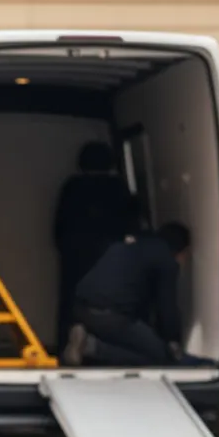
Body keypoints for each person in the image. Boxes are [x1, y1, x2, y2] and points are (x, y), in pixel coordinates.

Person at [62, 222, 193, 367]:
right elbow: (167, 308)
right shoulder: (167, 260)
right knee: (161, 359)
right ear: (182, 250)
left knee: (135, 341)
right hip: (110, 316)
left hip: (81, 309)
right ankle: (93, 347)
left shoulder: (127, 245)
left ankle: (88, 342)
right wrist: (173, 343)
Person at [52, 141, 140, 351]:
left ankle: (68, 343)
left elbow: (60, 225)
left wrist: (66, 247)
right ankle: (102, 349)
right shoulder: (117, 187)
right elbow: (130, 222)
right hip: (110, 255)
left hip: (75, 254)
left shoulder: (72, 186)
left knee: (71, 301)